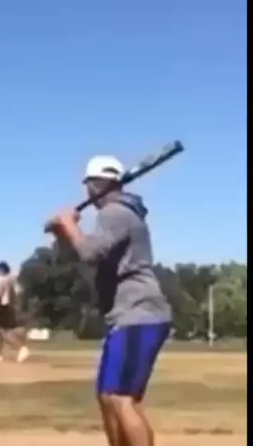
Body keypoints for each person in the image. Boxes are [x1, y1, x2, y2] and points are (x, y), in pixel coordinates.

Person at [47, 155, 172, 446]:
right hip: (124, 316)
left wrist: (69, 224)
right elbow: (77, 254)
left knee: (122, 397)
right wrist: (63, 233)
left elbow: (90, 254)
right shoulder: (116, 215)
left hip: (139, 313)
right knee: (108, 397)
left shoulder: (115, 213)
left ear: (92, 186)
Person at [0, 261, 30, 364]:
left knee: (4, 332)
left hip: (4, 307)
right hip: (9, 307)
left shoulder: (4, 279)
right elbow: (18, 292)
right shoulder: (13, 279)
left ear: (1, 269)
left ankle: (21, 348)